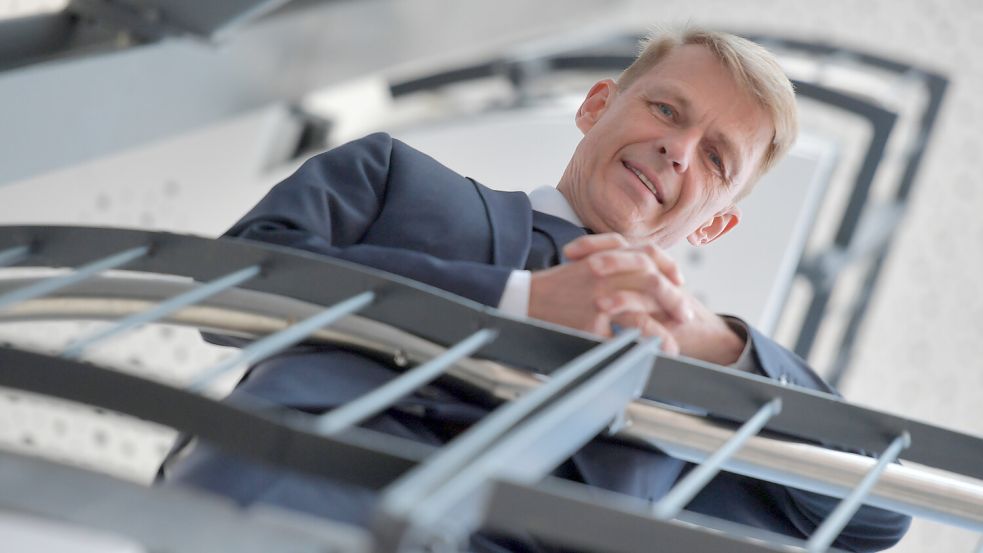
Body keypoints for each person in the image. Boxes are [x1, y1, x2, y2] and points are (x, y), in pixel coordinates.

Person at [163, 27, 911, 551]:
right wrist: (514, 305)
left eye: (715, 157)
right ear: (594, 106)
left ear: (714, 227)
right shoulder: (394, 178)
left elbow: (872, 516)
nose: (676, 150)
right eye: (665, 108)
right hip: (288, 502)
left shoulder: (691, 376)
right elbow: (227, 285)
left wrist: (717, 352)